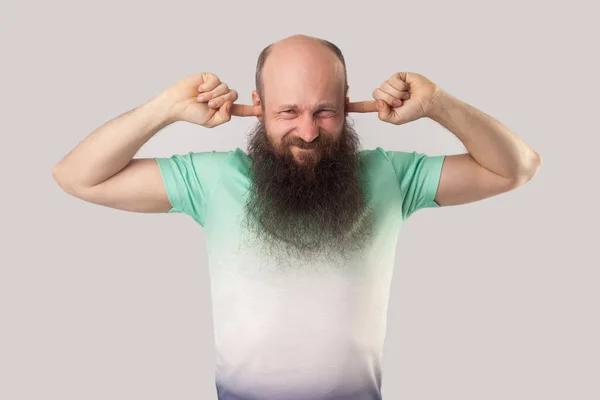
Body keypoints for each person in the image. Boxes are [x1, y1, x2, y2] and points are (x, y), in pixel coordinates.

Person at [52, 34, 542, 400]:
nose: (307, 132)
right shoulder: (212, 179)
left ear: (349, 108)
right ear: (257, 108)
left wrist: (436, 104)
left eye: (324, 111)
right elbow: (78, 177)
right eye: (288, 111)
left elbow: (516, 168)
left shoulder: (391, 175)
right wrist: (165, 108)